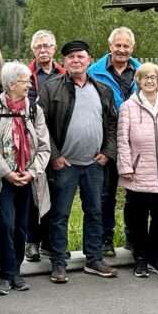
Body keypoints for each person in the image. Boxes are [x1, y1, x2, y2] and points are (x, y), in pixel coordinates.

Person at [40, 40, 119, 283]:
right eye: (71, 57)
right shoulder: (52, 88)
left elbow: (112, 124)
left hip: (94, 164)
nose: (76, 60)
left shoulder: (102, 89)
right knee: (60, 213)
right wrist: (54, 156)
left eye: (80, 56)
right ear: (64, 62)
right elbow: (40, 126)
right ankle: (59, 263)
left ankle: (94, 258)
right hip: (66, 165)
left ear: (89, 59)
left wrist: (107, 152)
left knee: (95, 211)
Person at [0, 62, 51, 295]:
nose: (29, 85)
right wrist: (7, 173)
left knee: (21, 227)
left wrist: (31, 172)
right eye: (25, 81)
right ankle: (5, 274)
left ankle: (16, 273)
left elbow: (44, 147)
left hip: (28, 180)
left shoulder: (34, 110)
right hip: (4, 181)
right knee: (5, 225)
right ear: (11, 84)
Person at [116, 62, 158, 278]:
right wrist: (126, 166)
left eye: (154, 77)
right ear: (139, 81)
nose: (150, 81)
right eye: (145, 78)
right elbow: (122, 139)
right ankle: (141, 260)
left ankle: (156, 259)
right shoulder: (128, 106)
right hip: (139, 171)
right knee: (139, 219)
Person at [88, 26, 141, 257]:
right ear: (110, 47)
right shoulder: (94, 72)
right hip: (107, 141)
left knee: (136, 192)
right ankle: (105, 239)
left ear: (132, 48)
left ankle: (133, 236)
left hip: (136, 141)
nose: (121, 50)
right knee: (106, 193)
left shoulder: (143, 71)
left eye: (125, 46)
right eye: (117, 45)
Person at [24, 29, 65, 263]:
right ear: (33, 50)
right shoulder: (27, 75)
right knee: (34, 195)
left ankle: (52, 242)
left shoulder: (64, 73)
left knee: (56, 193)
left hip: (59, 142)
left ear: (54, 48)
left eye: (47, 46)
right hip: (32, 143)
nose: (43, 50)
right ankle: (32, 242)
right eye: (39, 46)